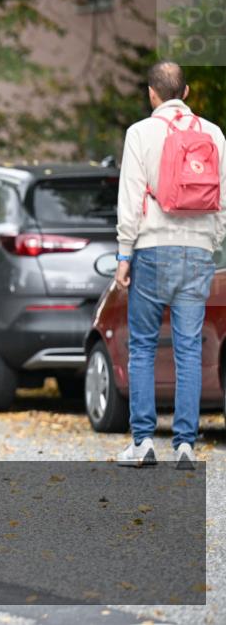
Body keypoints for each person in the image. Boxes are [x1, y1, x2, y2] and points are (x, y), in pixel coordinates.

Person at [114, 61, 225, 469]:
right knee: (189, 349)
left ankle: (143, 441)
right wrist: (211, 243)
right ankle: (185, 445)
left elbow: (130, 198)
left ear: (151, 94)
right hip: (197, 252)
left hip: (152, 249)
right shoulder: (213, 134)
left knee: (143, 346)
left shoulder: (140, 133)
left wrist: (124, 255)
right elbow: (223, 199)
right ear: (187, 92)